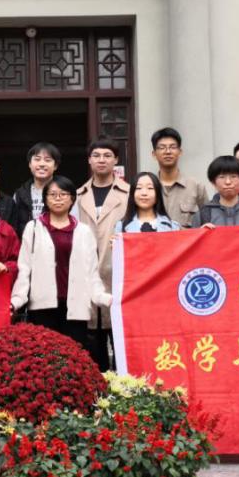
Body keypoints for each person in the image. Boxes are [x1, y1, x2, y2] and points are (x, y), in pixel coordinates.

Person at [11, 176, 111, 356]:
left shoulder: (84, 231)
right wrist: (17, 300)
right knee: (43, 359)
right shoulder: (33, 228)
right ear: (45, 199)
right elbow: (24, 269)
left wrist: (102, 297)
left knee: (74, 358)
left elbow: (92, 273)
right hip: (41, 307)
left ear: (72, 199)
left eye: (63, 194)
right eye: (53, 194)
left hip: (75, 307)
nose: (58, 198)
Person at [75, 138, 130, 370]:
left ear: (116, 160)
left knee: (122, 342)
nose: (101, 160)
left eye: (107, 155)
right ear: (89, 160)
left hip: (117, 273)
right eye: (96, 155)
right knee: (92, 345)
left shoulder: (129, 193)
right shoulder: (77, 195)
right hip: (87, 273)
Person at [151, 127, 208, 228]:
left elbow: (207, 222)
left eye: (173, 147)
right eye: (162, 147)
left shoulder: (196, 186)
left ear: (180, 152)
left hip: (188, 238)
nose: (168, 152)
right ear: (154, 154)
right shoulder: (147, 187)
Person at [192, 156, 239, 228]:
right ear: (213, 182)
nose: (228, 182)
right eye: (222, 177)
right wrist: (201, 233)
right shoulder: (202, 216)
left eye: (233, 176)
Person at [13, 142, 61, 232]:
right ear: (30, 164)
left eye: (47, 160)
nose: (42, 164)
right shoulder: (19, 194)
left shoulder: (65, 192)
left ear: (55, 166)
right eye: (37, 159)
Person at [116, 171, 181, 233]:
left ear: (158, 194)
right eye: (139, 188)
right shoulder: (121, 226)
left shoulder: (172, 227)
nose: (144, 193)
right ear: (132, 194)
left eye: (150, 188)